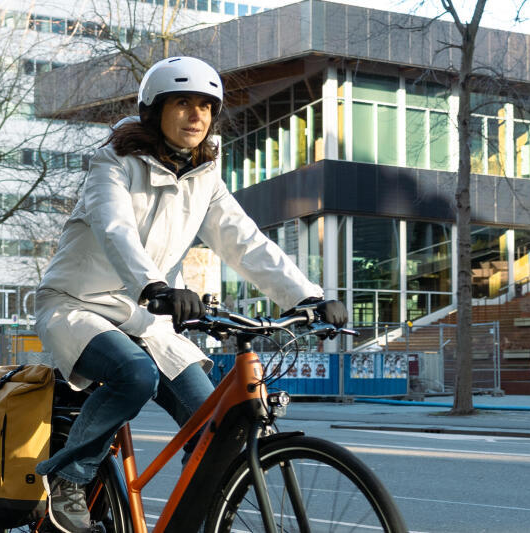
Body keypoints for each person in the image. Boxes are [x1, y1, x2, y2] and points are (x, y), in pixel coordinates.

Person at [30, 56, 345, 533]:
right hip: (77, 306)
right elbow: (116, 230)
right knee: (132, 374)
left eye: (205, 105)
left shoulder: (205, 177)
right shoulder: (111, 164)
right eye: (182, 103)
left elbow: (244, 240)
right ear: (154, 111)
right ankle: (70, 478)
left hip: (146, 319)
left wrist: (307, 297)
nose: (196, 115)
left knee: (216, 423)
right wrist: (154, 287)